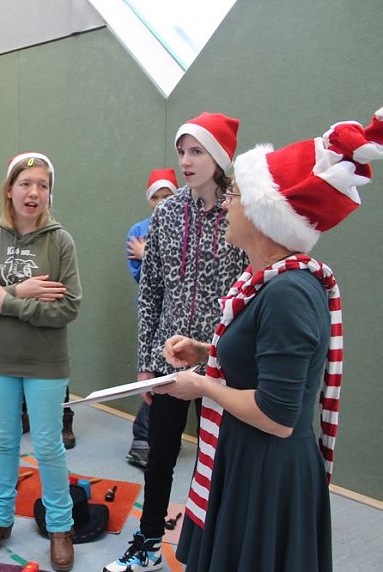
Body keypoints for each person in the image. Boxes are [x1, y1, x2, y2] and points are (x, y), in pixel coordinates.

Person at [156, 108, 382, 572]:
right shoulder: (269, 283)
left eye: (235, 195)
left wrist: (201, 385)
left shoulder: (287, 293)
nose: (225, 205)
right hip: (248, 457)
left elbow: (277, 417)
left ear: (265, 216)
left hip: (266, 466)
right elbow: (264, 360)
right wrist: (207, 352)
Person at [104, 113, 248, 572]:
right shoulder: (165, 214)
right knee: (160, 456)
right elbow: (150, 293)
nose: (185, 161)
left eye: (196, 151)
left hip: (221, 365)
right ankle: (148, 542)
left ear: (219, 158)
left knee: (219, 462)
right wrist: (146, 362)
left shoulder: (242, 211)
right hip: (168, 363)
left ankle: (216, 550)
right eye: (181, 152)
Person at [0, 152, 81, 572]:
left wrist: (9, 302)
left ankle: (61, 526)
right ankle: (0, 519)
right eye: (26, 184)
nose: (34, 193)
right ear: (10, 189)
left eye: (42, 185)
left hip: (46, 362)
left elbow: (68, 307)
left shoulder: (60, 241)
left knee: (48, 445)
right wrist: (23, 291)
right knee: (4, 442)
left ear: (50, 192)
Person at [123, 168, 178, 469]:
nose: (161, 202)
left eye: (167, 196)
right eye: (155, 197)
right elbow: (143, 279)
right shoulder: (138, 230)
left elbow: (182, 274)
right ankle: (142, 438)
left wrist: (149, 255)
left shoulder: (182, 226)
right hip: (152, 315)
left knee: (169, 378)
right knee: (153, 376)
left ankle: (154, 436)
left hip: (179, 316)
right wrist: (150, 260)